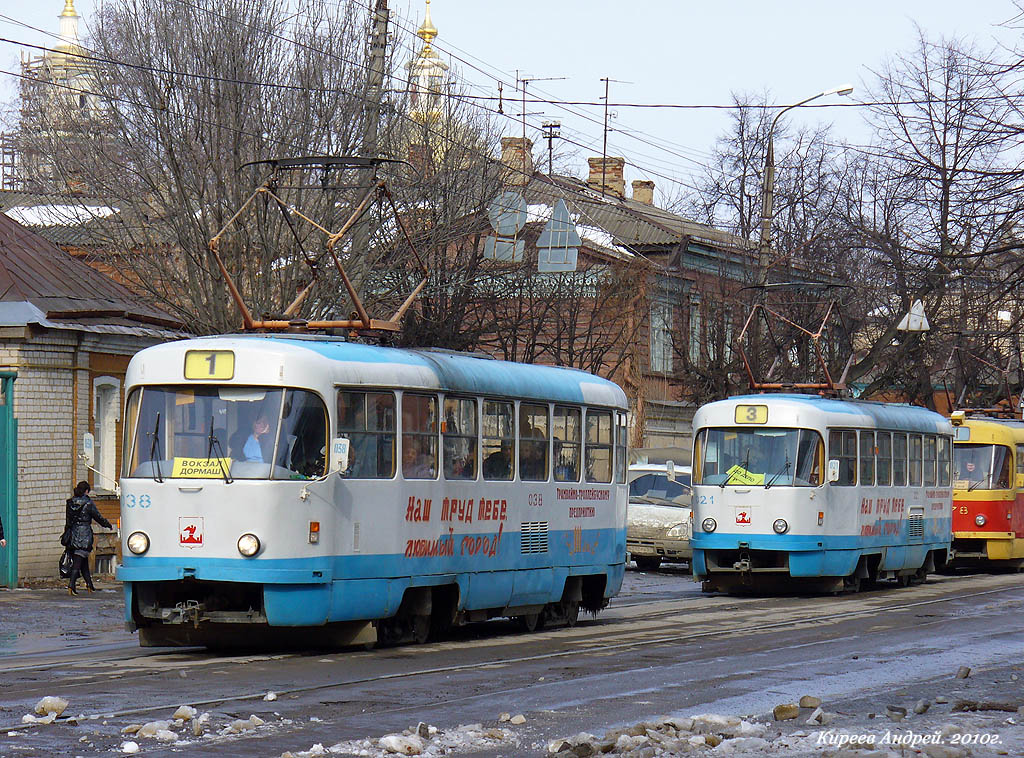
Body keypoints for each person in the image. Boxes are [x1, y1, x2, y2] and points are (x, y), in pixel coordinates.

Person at [64, 481, 112, 595]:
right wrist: (107, 524)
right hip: (84, 533)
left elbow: (68, 520)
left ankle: (90, 585)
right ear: (86, 491)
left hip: (73, 533)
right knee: (78, 561)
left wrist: (67, 533)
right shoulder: (88, 503)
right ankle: (71, 585)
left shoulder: (70, 503)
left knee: (83, 561)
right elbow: (98, 517)